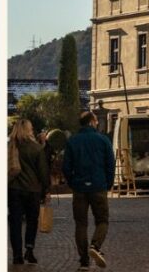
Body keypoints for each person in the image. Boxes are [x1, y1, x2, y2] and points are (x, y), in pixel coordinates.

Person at [63, 111, 115, 269]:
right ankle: (95, 246)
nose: (98, 123)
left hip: (79, 187)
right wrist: (109, 183)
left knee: (81, 224)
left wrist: (73, 182)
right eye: (96, 121)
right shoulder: (103, 140)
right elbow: (110, 164)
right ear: (92, 121)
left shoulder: (73, 141)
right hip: (98, 186)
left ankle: (84, 260)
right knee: (102, 220)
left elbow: (66, 167)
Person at [7, 117, 50, 265]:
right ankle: (29, 250)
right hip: (33, 190)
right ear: (28, 130)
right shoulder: (36, 148)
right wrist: (46, 190)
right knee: (32, 221)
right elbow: (43, 172)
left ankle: (17, 255)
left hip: (14, 189)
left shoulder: (11, 146)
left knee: (15, 222)